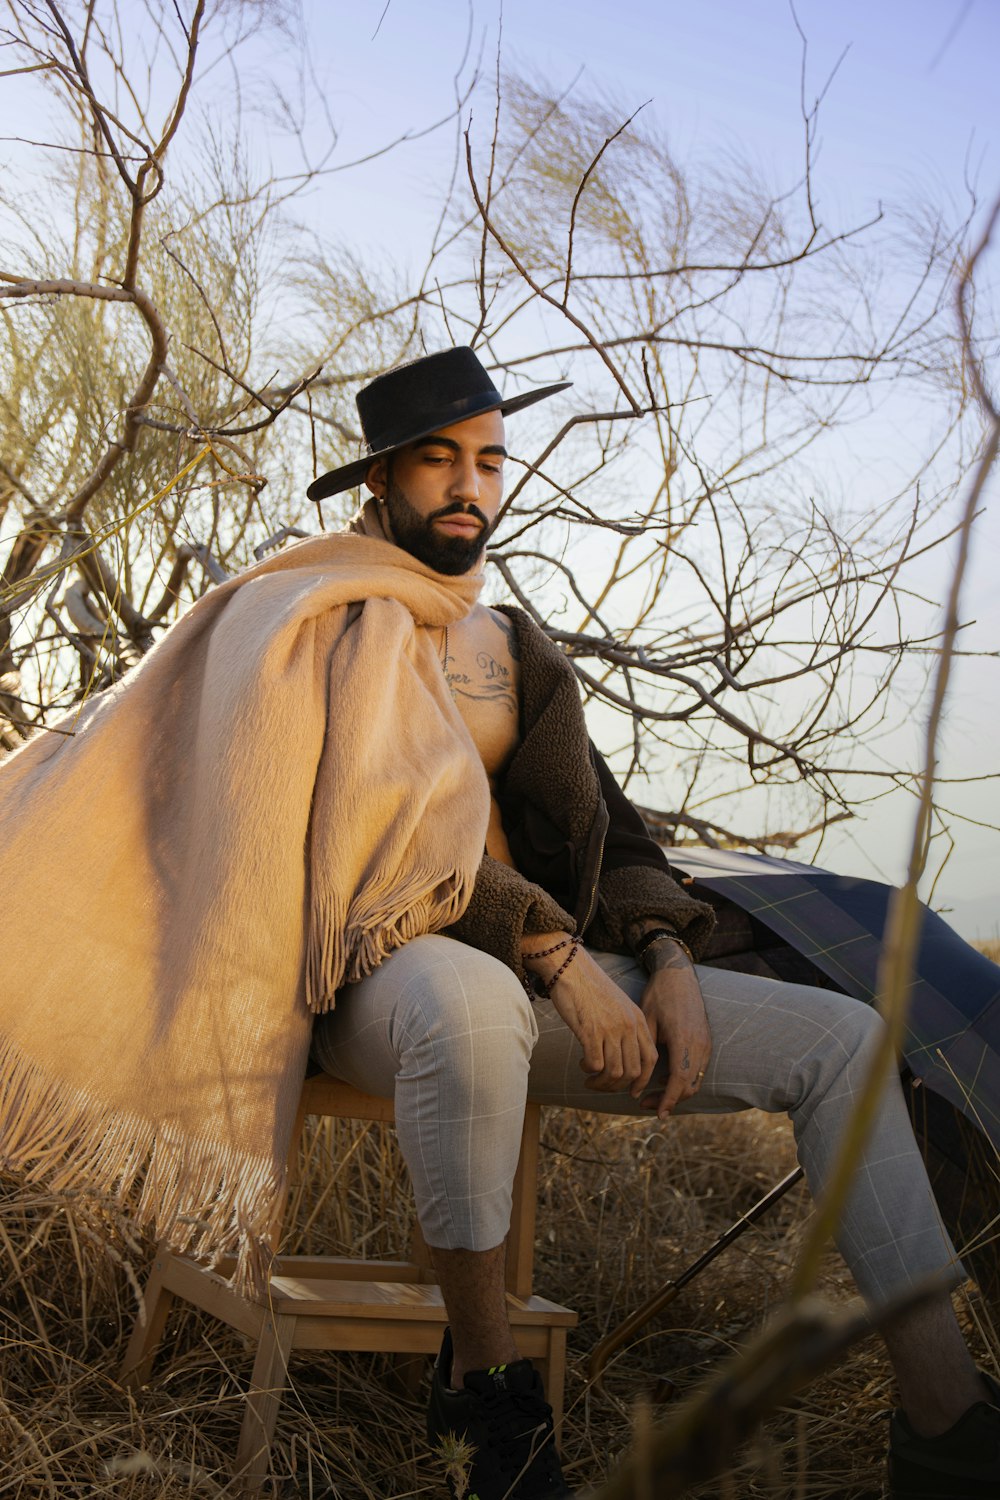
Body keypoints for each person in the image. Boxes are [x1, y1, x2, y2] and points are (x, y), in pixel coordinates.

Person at [301, 348, 999, 1500]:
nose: (470, 485)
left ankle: (945, 1422)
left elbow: (617, 842)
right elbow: (375, 845)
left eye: (488, 460)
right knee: (470, 1002)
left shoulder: (513, 646)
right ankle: (485, 1400)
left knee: (845, 1043)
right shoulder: (319, 624)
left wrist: (665, 953)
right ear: (379, 482)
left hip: (553, 981)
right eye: (439, 462)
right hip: (381, 980)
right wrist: (554, 954)